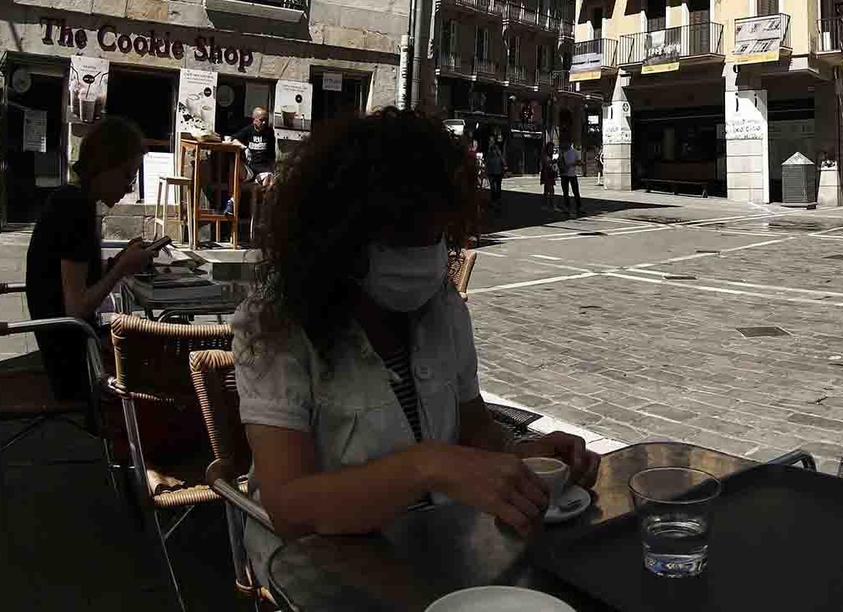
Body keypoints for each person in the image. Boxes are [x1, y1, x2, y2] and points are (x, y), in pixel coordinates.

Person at [232, 108, 598, 586]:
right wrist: (426, 467)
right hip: (322, 577)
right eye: (407, 236)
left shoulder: (441, 307)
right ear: (343, 235)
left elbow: (474, 426)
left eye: (437, 235)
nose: (427, 254)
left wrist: (525, 454)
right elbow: (290, 506)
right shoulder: (277, 325)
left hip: (441, 553)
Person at [26, 116, 160, 402]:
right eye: (127, 176)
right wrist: (120, 269)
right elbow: (77, 307)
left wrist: (117, 262)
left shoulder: (72, 199)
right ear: (104, 167)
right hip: (74, 359)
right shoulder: (75, 209)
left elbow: (77, 282)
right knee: (167, 363)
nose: (129, 188)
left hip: (69, 343)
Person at [232, 106, 279, 190]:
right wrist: (245, 148)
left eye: (266, 119)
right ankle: (233, 199)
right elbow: (233, 139)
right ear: (254, 120)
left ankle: (263, 201)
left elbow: (272, 155)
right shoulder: (248, 130)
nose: (264, 122)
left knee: (269, 181)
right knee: (235, 166)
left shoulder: (269, 132)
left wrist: (272, 171)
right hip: (249, 167)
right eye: (261, 120)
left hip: (263, 169)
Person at [560, 137, 583, 217]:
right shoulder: (562, 152)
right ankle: (567, 207)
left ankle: (579, 207)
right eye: (564, 143)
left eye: (567, 143)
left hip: (572, 175)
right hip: (564, 175)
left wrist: (574, 163)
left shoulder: (575, 152)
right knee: (565, 192)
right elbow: (560, 162)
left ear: (570, 143)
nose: (565, 144)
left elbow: (579, 162)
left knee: (576, 191)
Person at [485, 131, 505, 211]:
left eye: (491, 140)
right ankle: (494, 200)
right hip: (492, 171)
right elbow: (487, 161)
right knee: (493, 187)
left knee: (498, 186)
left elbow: (501, 158)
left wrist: (504, 166)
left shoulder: (496, 149)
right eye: (490, 140)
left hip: (497, 171)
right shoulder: (489, 151)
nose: (491, 141)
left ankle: (497, 200)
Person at [541, 141, 559, 211]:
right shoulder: (546, 155)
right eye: (551, 148)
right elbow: (547, 163)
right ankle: (551, 206)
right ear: (548, 148)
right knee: (551, 190)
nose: (552, 149)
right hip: (547, 174)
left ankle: (545, 205)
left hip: (548, 174)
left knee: (547, 190)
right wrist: (554, 161)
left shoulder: (548, 155)